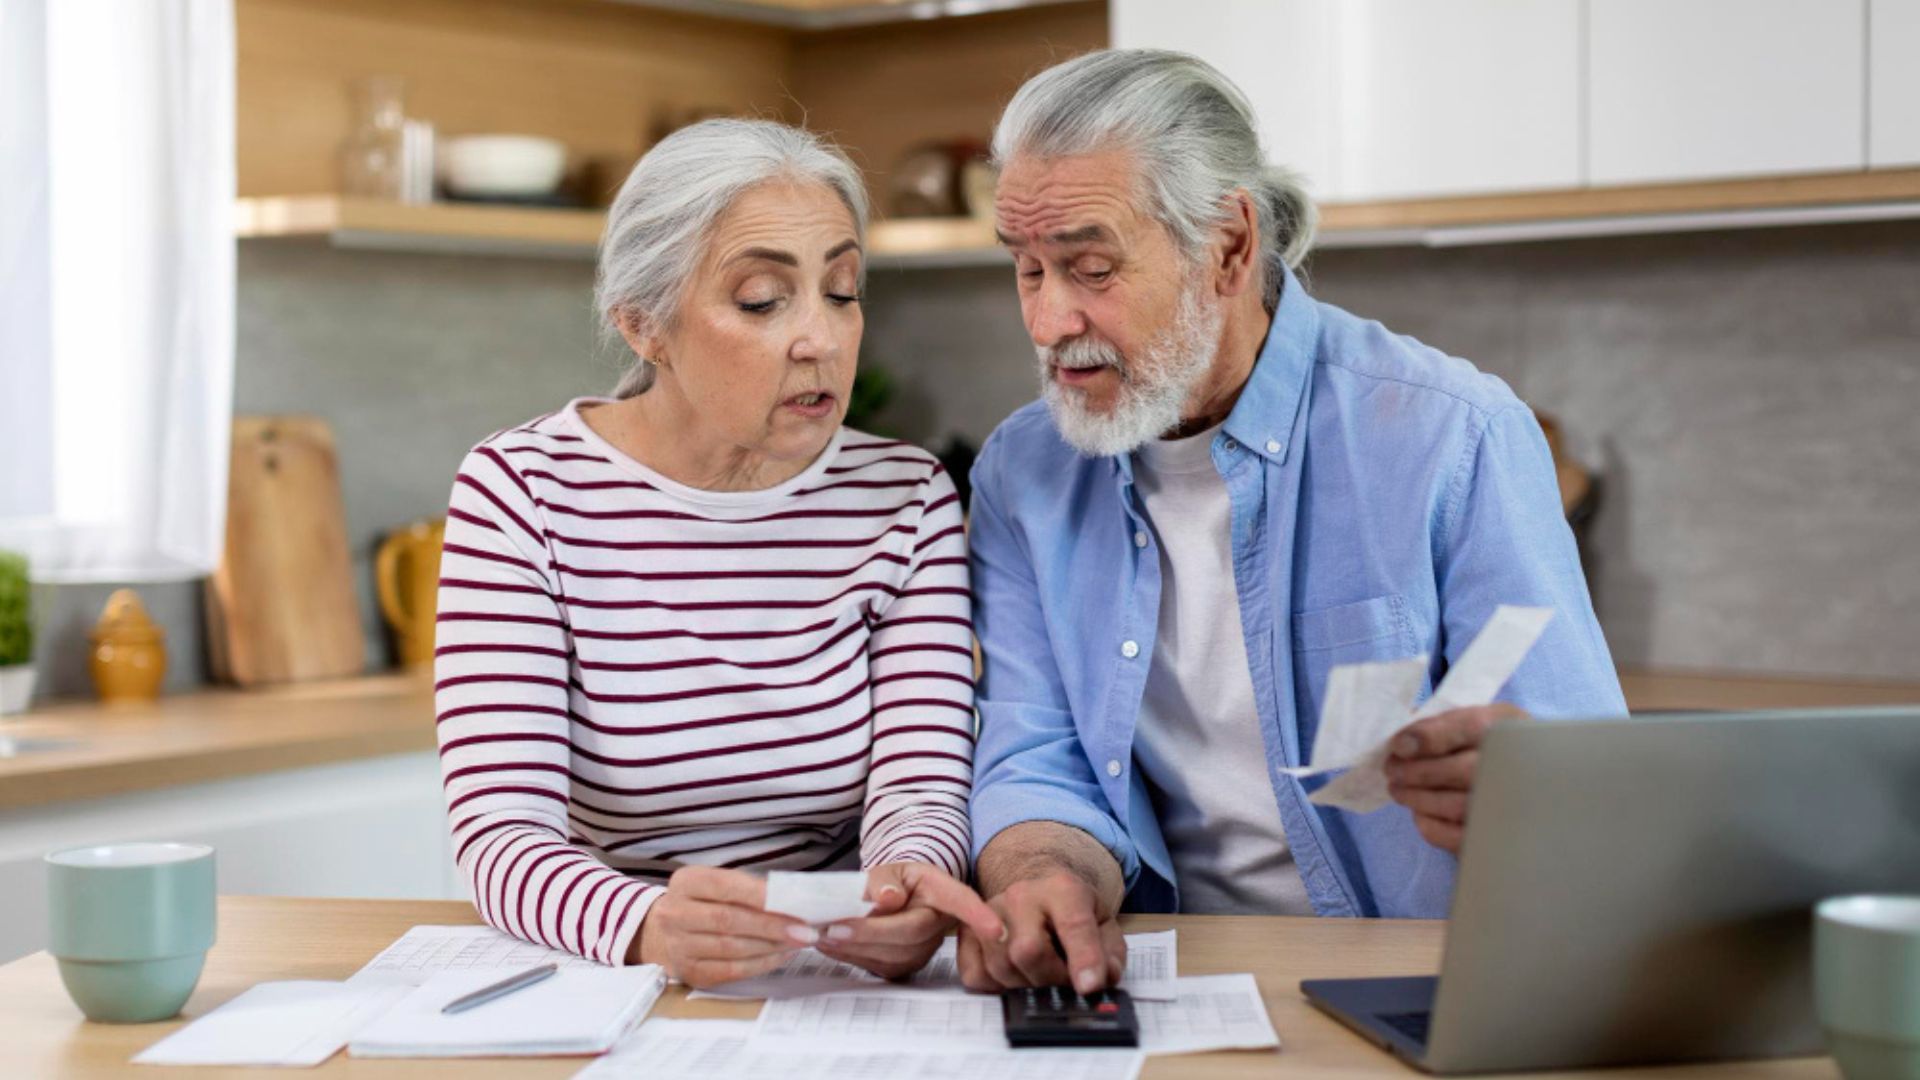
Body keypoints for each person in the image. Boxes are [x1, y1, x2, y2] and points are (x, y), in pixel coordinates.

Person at [958, 50, 1627, 995]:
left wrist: (1531, 790)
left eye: (1091, 267)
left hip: (1419, 978)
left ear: (1230, 245)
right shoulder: (1023, 473)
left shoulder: (1452, 435)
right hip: (1168, 974)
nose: (1047, 318)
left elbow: (1595, 784)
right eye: (1026, 270)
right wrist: (1043, 878)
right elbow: (1036, 748)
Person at [434, 119, 1001, 988]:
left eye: (842, 290)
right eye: (763, 301)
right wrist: (648, 925)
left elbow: (919, 786)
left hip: (836, 963)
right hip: (614, 968)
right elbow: (501, 833)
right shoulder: (522, 491)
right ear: (644, 326)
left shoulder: (906, 496)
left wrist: (908, 883)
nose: (822, 337)